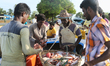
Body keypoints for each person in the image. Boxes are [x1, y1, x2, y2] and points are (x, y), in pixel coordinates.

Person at [80, 0, 110, 66]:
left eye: (83, 11)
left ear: (89, 9)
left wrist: (91, 63)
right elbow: (98, 43)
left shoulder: (99, 24)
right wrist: (87, 49)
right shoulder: (93, 24)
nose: (84, 14)